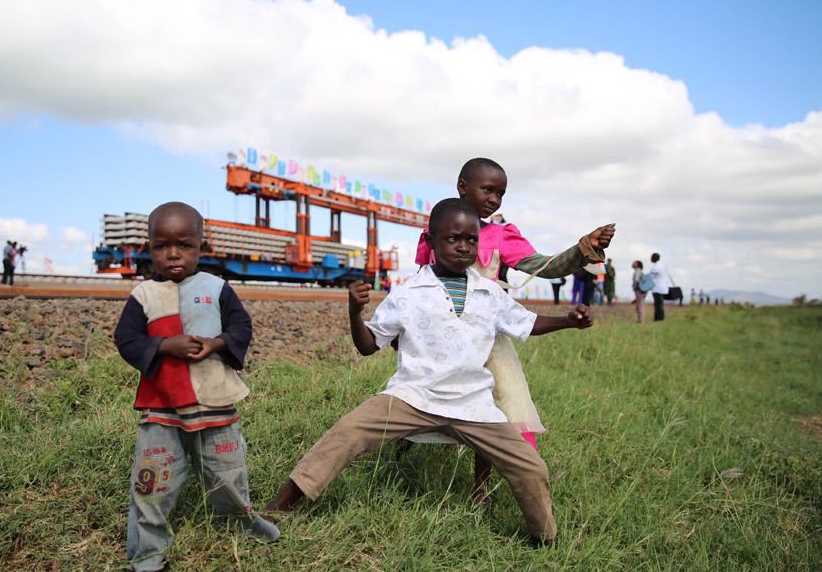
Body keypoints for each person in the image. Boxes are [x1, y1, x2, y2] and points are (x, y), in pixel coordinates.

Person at [265, 198, 596, 546]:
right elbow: (368, 345)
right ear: (431, 241)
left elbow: (526, 323)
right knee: (345, 434)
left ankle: (544, 540)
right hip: (413, 396)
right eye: (454, 239)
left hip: (474, 405)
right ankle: (277, 509)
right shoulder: (408, 293)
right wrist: (354, 313)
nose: (464, 247)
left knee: (530, 467)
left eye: (471, 239)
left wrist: (568, 321)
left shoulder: (489, 293)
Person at [412, 157, 614, 498]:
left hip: (488, 341)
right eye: (487, 190)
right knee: (420, 402)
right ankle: (398, 459)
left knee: (501, 408)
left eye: (501, 194)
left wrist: (584, 249)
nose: (494, 199)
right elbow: (421, 282)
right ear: (462, 187)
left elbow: (544, 266)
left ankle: (482, 490)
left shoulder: (500, 235)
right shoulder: (435, 232)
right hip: (441, 340)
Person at [113, 202, 278, 572]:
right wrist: (163, 346)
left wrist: (216, 343)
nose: (173, 254)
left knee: (227, 473)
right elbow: (126, 339)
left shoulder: (217, 288)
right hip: (162, 407)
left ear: (202, 246)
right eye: (162, 246)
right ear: (149, 248)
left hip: (214, 403)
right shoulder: (143, 295)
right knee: (152, 482)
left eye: (185, 245)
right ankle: (148, 552)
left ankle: (240, 524)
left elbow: (241, 327)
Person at [647, 252, 671, 321]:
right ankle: (660, 317)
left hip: (658, 288)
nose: (650, 259)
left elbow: (650, 276)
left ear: (654, 258)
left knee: (658, 304)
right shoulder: (662, 265)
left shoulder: (656, 267)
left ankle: (658, 318)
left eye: (651, 257)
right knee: (660, 304)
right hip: (662, 288)